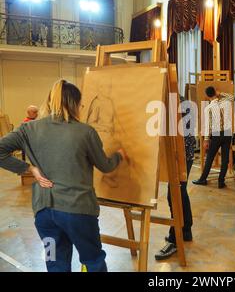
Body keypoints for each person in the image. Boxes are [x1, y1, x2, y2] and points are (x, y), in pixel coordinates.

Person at [0, 79, 127, 272]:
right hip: (79, 213)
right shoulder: (85, 132)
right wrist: (119, 156)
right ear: (75, 104)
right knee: (93, 260)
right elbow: (105, 166)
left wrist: (29, 169)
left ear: (50, 102)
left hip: (44, 215)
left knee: (54, 262)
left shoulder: (28, 129)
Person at [155, 96, 196, 260]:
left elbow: (176, 135)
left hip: (181, 155)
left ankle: (175, 238)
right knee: (180, 192)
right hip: (184, 154)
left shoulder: (174, 104)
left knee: (175, 194)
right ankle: (185, 231)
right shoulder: (180, 100)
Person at [192, 86, 234, 189]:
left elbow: (208, 126)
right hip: (228, 133)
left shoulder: (208, 108)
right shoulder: (227, 102)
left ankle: (203, 179)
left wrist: (206, 139)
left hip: (216, 134)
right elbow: (232, 97)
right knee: (225, 159)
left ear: (207, 96)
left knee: (210, 157)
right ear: (216, 92)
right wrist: (220, 93)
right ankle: (221, 182)